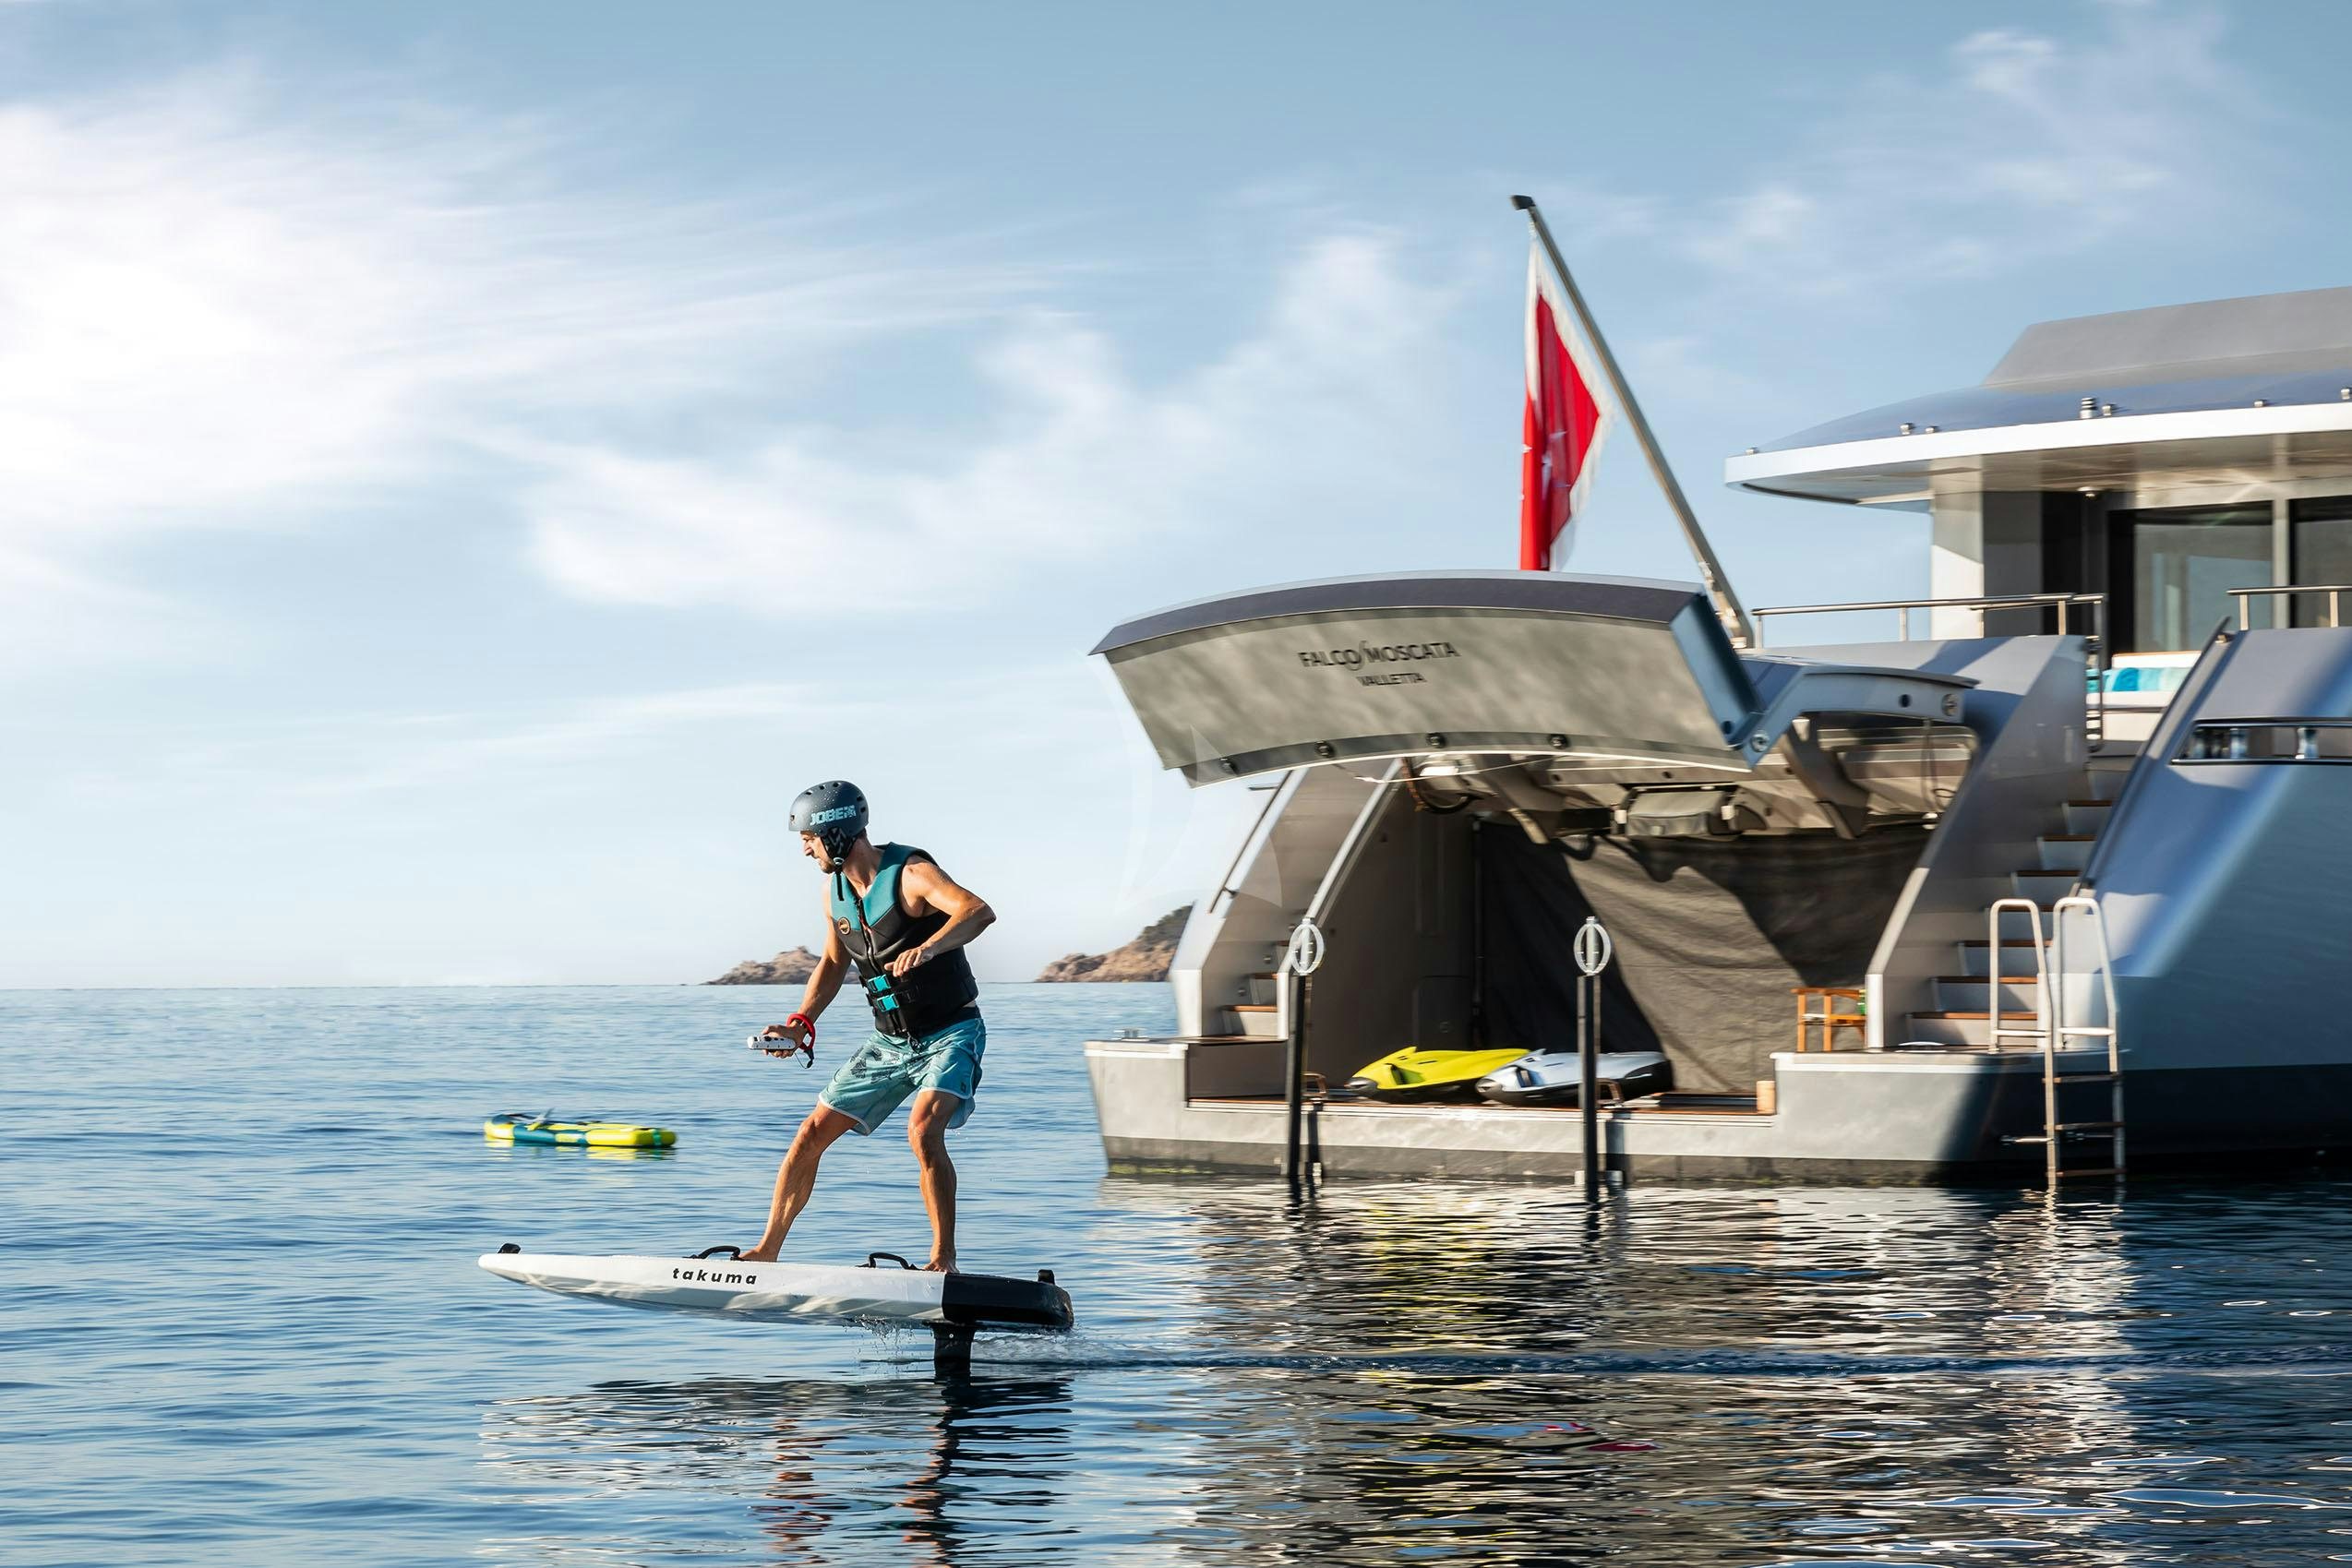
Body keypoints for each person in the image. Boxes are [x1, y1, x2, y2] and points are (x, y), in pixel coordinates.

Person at [740, 781, 994, 1273]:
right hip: (890, 1042)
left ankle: (943, 1261)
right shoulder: (833, 893)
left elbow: (976, 910)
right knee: (810, 1133)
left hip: (951, 1032)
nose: (804, 848)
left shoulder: (911, 873)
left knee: (922, 1131)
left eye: (809, 837)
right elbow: (834, 965)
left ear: (836, 834)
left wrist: (931, 946)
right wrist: (799, 1025)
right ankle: (766, 1249)